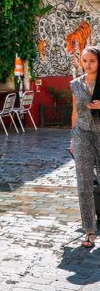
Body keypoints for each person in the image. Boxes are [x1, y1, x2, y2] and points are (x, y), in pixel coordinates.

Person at [70, 45, 100, 248]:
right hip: (81, 135)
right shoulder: (75, 84)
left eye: (92, 61)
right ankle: (89, 230)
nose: (87, 65)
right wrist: (72, 138)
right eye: (84, 60)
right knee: (84, 184)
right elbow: (75, 111)